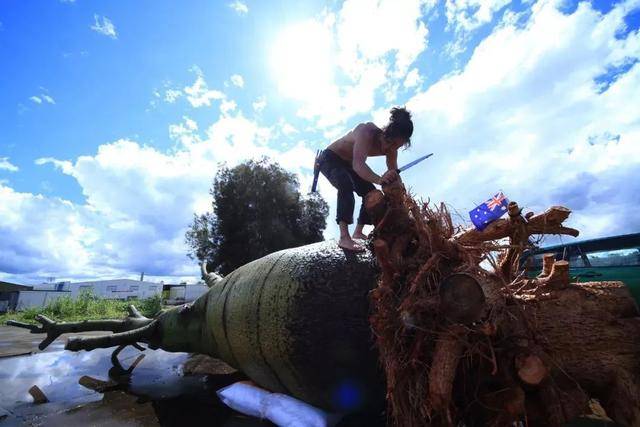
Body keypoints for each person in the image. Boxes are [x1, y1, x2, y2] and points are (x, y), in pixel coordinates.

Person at [318, 107, 414, 251]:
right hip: (330, 159)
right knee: (345, 183)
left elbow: (394, 174)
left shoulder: (392, 150)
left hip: (349, 164)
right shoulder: (366, 132)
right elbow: (359, 165)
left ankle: (358, 232)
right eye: (392, 143)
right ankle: (344, 237)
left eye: (397, 146)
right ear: (385, 133)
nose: (392, 149)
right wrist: (380, 179)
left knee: (371, 193)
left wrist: (399, 191)